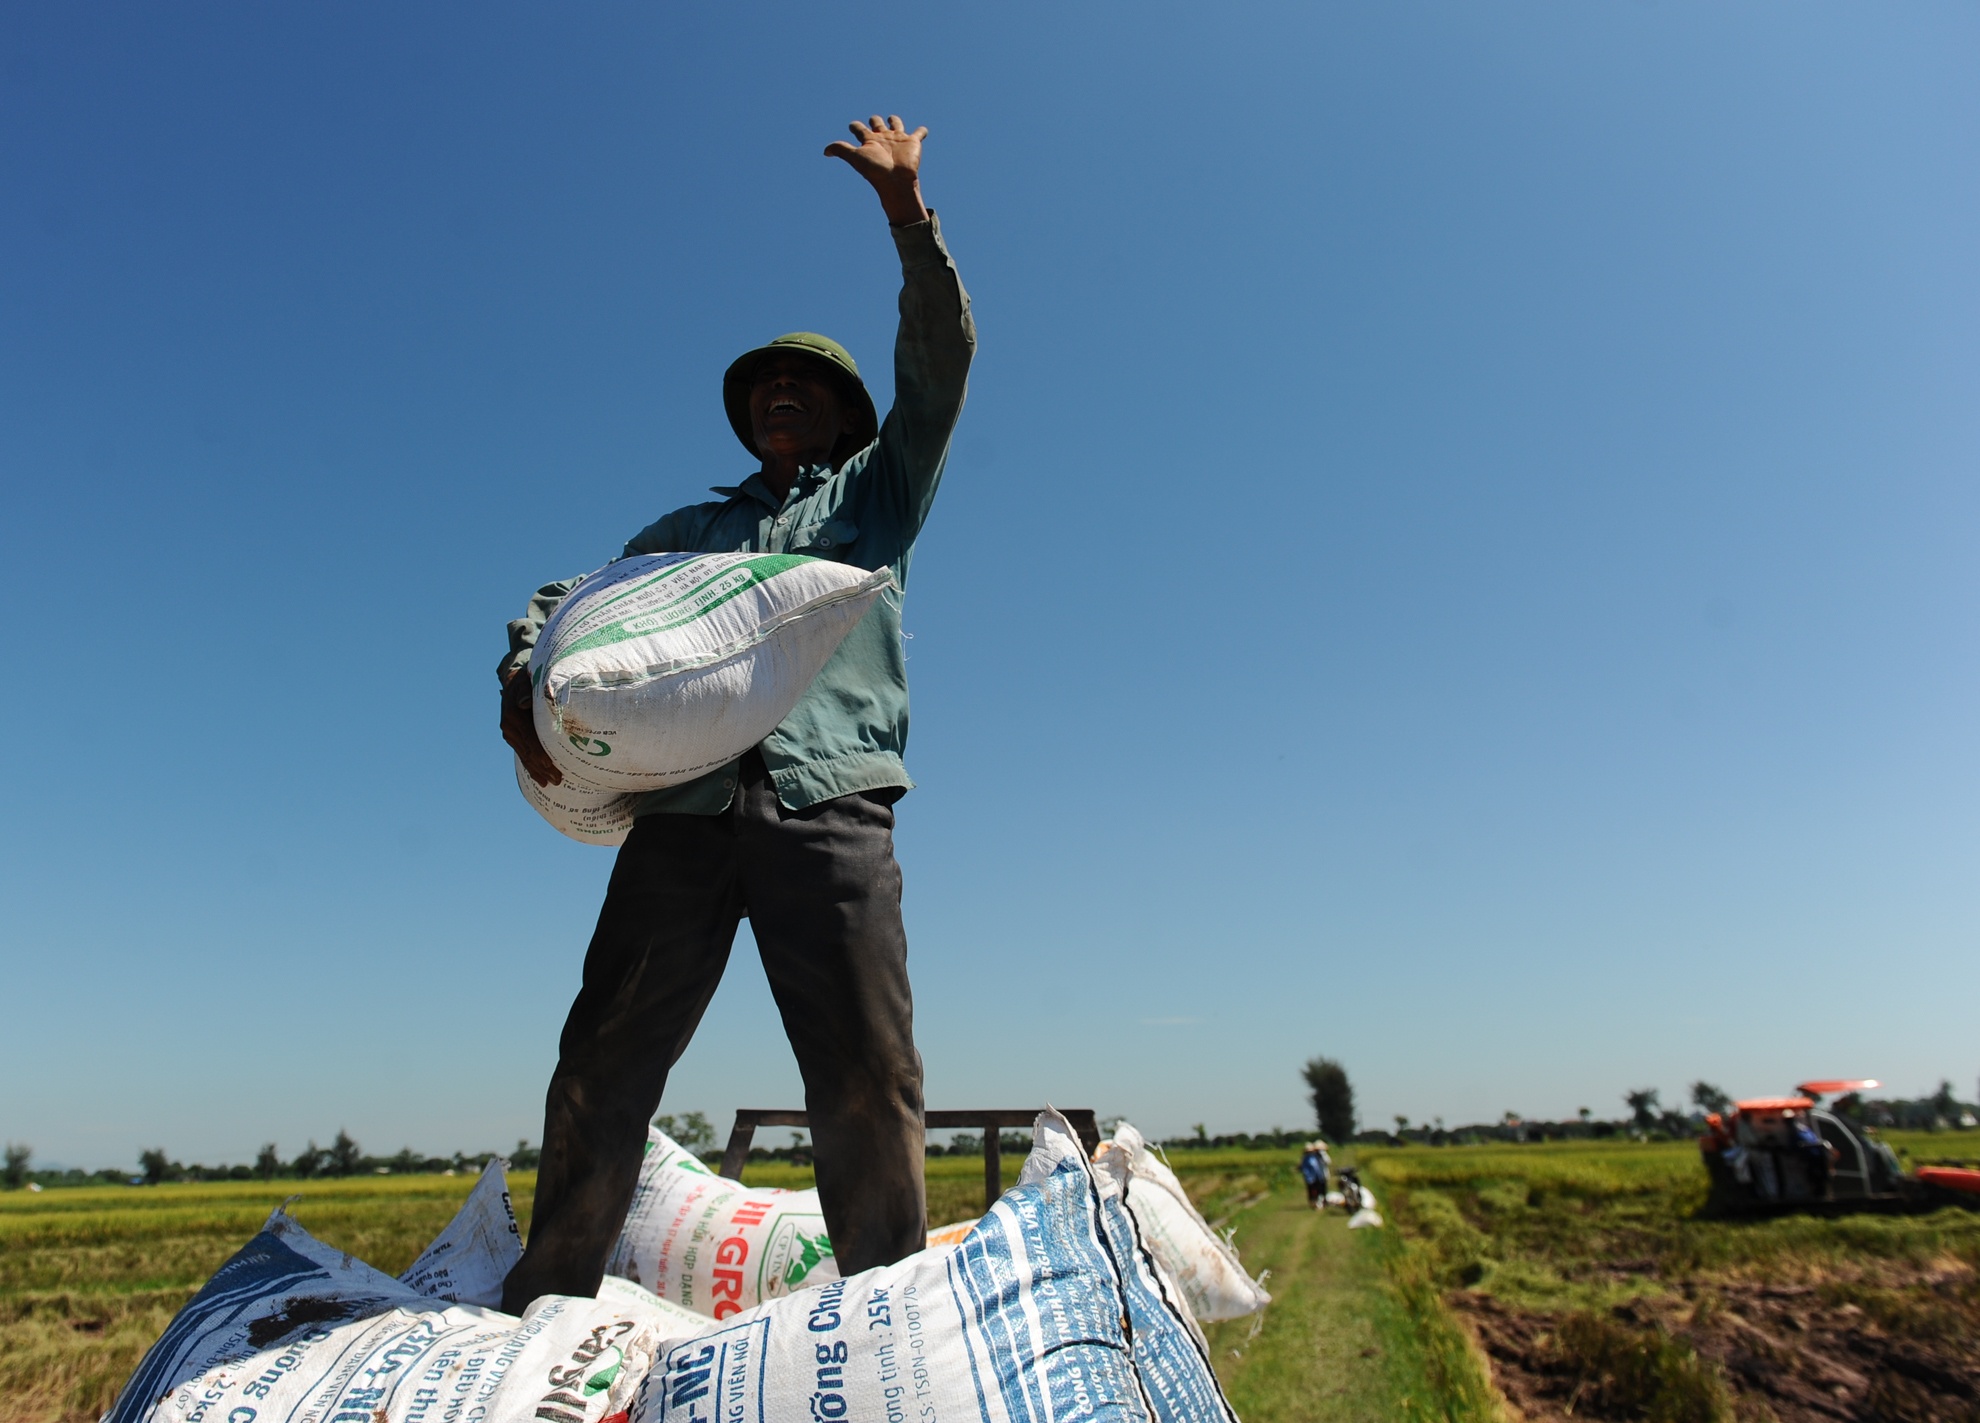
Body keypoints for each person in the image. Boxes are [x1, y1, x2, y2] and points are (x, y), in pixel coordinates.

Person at [495, 115, 974, 1314]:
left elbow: (940, 365)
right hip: (686, 816)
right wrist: (524, 678)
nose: (777, 393)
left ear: (842, 414)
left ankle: (885, 1323)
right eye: (763, 385)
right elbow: (577, 605)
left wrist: (906, 216)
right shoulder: (685, 538)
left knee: (867, 1074)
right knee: (603, 1060)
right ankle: (549, 1298)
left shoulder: (876, 500)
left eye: (802, 385)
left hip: (831, 810)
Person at [1298, 1141, 1328, 1209]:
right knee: (1312, 1190)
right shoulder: (1305, 1158)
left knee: (1318, 1190)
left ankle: (1319, 1203)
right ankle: (1314, 1203)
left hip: (1317, 1176)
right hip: (1310, 1177)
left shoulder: (1316, 1157)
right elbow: (1305, 1168)